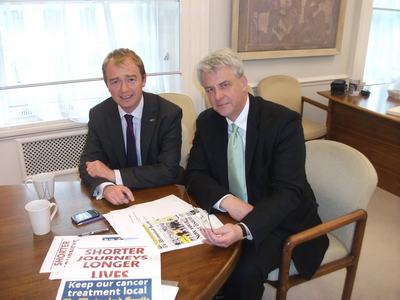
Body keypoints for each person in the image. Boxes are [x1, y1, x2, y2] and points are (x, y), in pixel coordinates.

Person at [184, 48, 329, 300]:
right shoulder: (208, 121)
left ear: (243, 83)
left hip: (281, 220)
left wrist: (243, 228)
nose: (217, 96)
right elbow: (195, 174)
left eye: (224, 85)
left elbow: (288, 192)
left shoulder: (283, 122)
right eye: (209, 89)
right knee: (198, 260)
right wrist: (230, 203)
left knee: (242, 271)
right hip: (230, 212)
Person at [79, 48, 184, 206]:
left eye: (130, 79)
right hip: (120, 199)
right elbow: (87, 166)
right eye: (115, 81)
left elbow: (168, 171)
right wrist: (106, 187)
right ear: (107, 85)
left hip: (163, 194)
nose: (124, 89)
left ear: (143, 80)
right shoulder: (99, 115)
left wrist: (112, 175)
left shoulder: (168, 113)